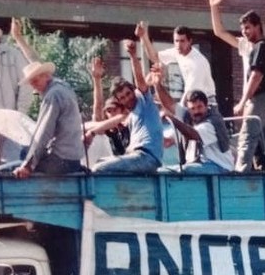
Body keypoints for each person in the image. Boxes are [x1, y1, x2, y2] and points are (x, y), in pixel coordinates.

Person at [208, 0, 265, 172]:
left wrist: (242, 102)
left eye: (248, 28)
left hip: (260, 98)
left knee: (246, 139)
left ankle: (240, 177)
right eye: (243, 29)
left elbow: (256, 76)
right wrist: (214, 7)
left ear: (258, 27)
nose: (245, 32)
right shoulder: (247, 46)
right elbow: (219, 32)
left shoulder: (261, 47)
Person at [137, 21, 231, 154]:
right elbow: (155, 57)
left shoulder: (197, 63)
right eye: (176, 41)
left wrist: (174, 110)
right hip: (194, 102)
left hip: (206, 106)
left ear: (190, 41)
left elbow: (191, 95)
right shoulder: (177, 52)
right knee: (188, 140)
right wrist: (144, 37)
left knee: (216, 144)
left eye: (182, 41)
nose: (179, 45)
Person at [86, 41, 166, 174]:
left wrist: (133, 55)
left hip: (147, 157)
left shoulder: (143, 101)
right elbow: (100, 119)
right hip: (136, 157)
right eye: (122, 98)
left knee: (99, 169)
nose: (127, 98)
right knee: (100, 163)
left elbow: (139, 79)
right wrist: (97, 79)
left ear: (133, 91)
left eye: (128, 94)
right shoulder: (131, 116)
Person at [12, 60, 86, 177]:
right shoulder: (65, 89)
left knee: (10, 168)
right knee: (25, 153)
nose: (34, 86)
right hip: (73, 160)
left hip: (60, 160)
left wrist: (28, 166)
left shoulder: (53, 95)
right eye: (31, 83)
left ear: (46, 76)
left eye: (35, 81)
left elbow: (44, 132)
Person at [161, 89, 235, 174]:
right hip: (201, 165)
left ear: (206, 106)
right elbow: (170, 104)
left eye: (199, 107)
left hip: (220, 167)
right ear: (188, 110)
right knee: (165, 170)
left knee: (183, 171)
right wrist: (157, 84)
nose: (196, 111)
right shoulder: (188, 118)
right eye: (192, 108)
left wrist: (173, 119)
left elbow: (193, 134)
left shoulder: (212, 122)